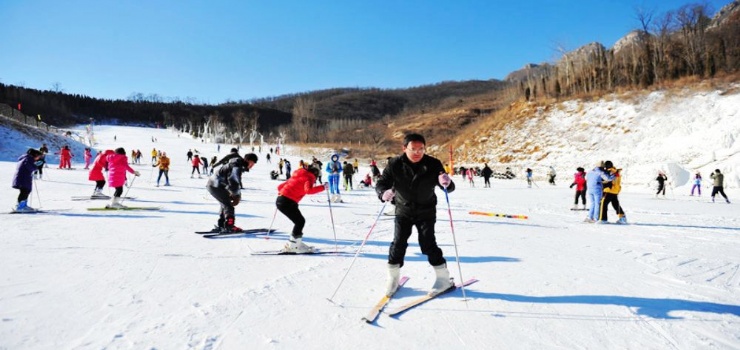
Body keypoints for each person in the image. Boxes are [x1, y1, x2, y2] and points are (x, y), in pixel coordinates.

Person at [375, 133, 456, 297]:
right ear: (404, 148)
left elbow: (448, 185)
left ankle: (443, 278)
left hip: (426, 210)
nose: (418, 152)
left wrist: (445, 181)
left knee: (428, 244)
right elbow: (382, 183)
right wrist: (383, 193)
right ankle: (393, 277)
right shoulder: (394, 164)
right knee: (398, 243)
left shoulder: (433, 163)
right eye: (414, 149)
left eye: (421, 149)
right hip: (403, 210)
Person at [276, 166, 326, 253]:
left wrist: (286, 192)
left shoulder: (297, 175)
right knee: (300, 222)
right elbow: (309, 190)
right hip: (288, 202)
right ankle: (293, 246)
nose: (315, 180)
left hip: (281, 200)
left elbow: (280, 187)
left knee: (299, 221)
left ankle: (295, 243)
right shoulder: (309, 178)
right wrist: (323, 187)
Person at [206, 153, 258, 232]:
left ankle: (222, 225)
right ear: (246, 160)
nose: (252, 166)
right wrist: (236, 195)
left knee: (225, 204)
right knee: (228, 206)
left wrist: (236, 194)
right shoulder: (236, 165)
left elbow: (234, 182)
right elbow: (233, 181)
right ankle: (229, 226)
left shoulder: (238, 165)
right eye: (251, 163)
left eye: (253, 164)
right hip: (215, 185)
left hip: (217, 185)